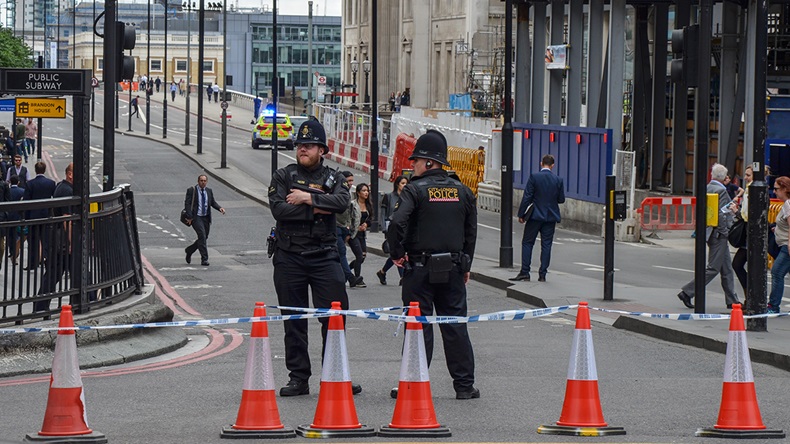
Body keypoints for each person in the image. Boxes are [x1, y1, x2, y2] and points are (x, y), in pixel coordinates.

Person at [268, 119, 361, 397]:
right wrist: (320, 206)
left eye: (309, 146)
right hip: (289, 258)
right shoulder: (283, 176)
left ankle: (336, 375)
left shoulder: (335, 178)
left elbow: (342, 203)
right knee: (294, 321)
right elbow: (280, 211)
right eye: (300, 145)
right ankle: (298, 378)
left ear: (323, 149)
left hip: (325, 257)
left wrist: (307, 199)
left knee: (334, 319)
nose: (302, 149)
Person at [386, 129, 479, 400]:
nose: (411, 165)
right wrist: (466, 265)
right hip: (453, 269)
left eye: (415, 160)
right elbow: (470, 233)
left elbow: (397, 225)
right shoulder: (463, 191)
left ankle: (413, 384)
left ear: (428, 162)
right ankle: (464, 386)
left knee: (418, 327)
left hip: (419, 269)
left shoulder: (415, 190)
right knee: (455, 326)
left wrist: (397, 253)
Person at [677, 163, 741, 310]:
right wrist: (725, 231)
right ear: (724, 177)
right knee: (713, 268)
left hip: (709, 231)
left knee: (727, 268)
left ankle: (732, 300)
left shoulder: (707, 188)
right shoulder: (722, 191)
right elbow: (722, 213)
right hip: (718, 233)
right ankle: (688, 292)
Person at [510, 154, 565, 282]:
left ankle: (525, 272)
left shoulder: (534, 177)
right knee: (546, 245)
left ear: (541, 163)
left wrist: (521, 214)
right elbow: (561, 199)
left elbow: (527, 197)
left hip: (535, 216)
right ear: (552, 165)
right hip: (550, 217)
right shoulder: (558, 180)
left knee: (528, 242)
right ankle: (542, 274)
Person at [35, 163, 74, 312]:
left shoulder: (61, 187)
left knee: (54, 275)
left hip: (57, 241)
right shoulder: (66, 191)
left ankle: (40, 307)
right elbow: (67, 219)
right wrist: (71, 242)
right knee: (54, 275)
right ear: (70, 174)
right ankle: (40, 307)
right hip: (62, 243)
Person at [183, 175, 225, 266]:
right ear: (198, 181)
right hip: (196, 217)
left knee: (204, 237)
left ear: (207, 182)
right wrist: (190, 217)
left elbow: (212, 202)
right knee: (202, 235)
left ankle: (189, 250)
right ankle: (204, 259)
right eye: (201, 180)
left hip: (206, 217)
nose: (203, 182)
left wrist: (219, 208)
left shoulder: (209, 191)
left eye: (205, 181)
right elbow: (187, 203)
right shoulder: (192, 190)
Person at [377, 175, 409, 285]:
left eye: (406, 183)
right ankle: (402, 277)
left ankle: (382, 271)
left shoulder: (407, 198)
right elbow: (383, 213)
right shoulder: (389, 196)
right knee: (398, 252)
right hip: (391, 228)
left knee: (397, 254)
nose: (404, 186)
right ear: (397, 185)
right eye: (402, 183)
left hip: (403, 228)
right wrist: (384, 227)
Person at [24, 161, 56, 270]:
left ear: (35, 170)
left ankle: (32, 263)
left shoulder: (30, 184)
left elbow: (26, 202)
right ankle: (46, 260)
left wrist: (26, 218)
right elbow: (54, 198)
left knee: (33, 241)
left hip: (33, 216)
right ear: (45, 170)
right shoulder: (51, 183)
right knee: (46, 240)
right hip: (46, 216)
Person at [335, 171, 362, 287]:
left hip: (344, 227)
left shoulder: (350, 194)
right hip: (335, 226)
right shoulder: (337, 192)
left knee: (339, 254)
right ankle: (350, 277)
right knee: (341, 252)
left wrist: (349, 229)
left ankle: (344, 276)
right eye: (348, 180)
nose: (351, 183)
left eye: (352, 181)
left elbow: (351, 214)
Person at [769, 176, 790, 313]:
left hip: (786, 246)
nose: (774, 192)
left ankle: (773, 306)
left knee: (777, 272)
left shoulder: (788, 204)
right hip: (783, 243)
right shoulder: (785, 205)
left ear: (784, 188)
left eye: (776, 189)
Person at [731, 166, 753, 299]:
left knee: (738, 264)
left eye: (748, 175)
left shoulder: (753, 191)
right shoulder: (748, 191)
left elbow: (749, 216)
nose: (745, 178)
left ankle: (751, 297)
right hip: (748, 234)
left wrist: (736, 212)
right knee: (738, 264)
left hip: (750, 235)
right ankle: (749, 296)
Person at [348, 182, 372, 287]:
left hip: (362, 234)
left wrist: (366, 224)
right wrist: (353, 228)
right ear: (358, 193)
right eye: (363, 191)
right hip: (353, 234)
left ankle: (346, 270)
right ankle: (357, 278)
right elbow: (348, 218)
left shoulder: (368, 205)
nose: (366, 193)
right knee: (359, 255)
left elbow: (371, 218)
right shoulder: (352, 204)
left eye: (367, 191)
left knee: (362, 257)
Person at [7, 175, 24, 265]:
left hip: (9, 216)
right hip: (18, 216)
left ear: (10, 182)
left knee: (10, 235)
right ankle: (16, 253)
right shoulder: (22, 191)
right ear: (18, 182)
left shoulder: (8, 191)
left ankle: (11, 251)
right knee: (17, 235)